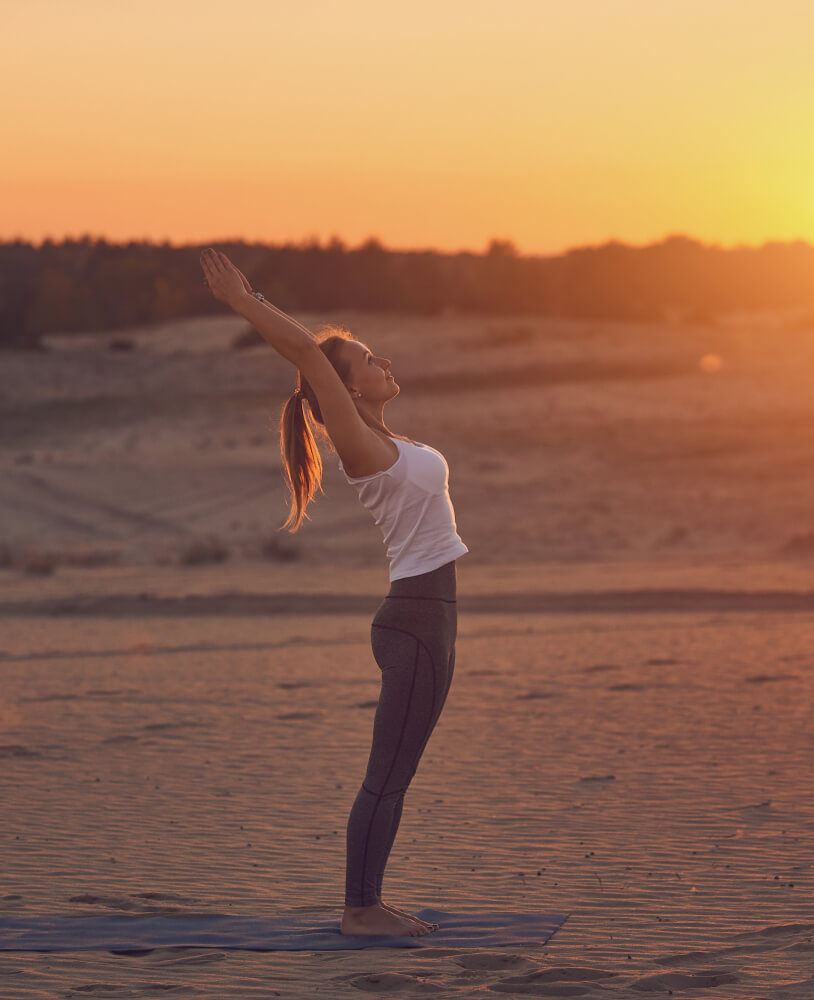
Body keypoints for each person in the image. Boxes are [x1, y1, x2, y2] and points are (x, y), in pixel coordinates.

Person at [199, 248, 469, 937]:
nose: (385, 366)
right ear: (345, 392)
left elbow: (324, 367)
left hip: (428, 622)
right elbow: (306, 354)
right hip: (414, 622)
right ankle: (360, 910)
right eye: (370, 363)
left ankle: (368, 901)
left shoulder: (389, 442)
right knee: (388, 775)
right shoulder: (360, 446)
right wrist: (244, 301)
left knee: (397, 773)